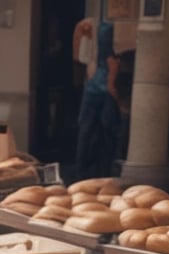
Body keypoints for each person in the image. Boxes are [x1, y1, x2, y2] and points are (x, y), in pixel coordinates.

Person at [72, 16, 118, 181]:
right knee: (108, 133)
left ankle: (82, 172)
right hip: (104, 87)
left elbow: (80, 58)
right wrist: (113, 88)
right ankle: (103, 173)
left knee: (86, 131)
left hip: (92, 85)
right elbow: (112, 62)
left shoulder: (91, 25)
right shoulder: (109, 29)